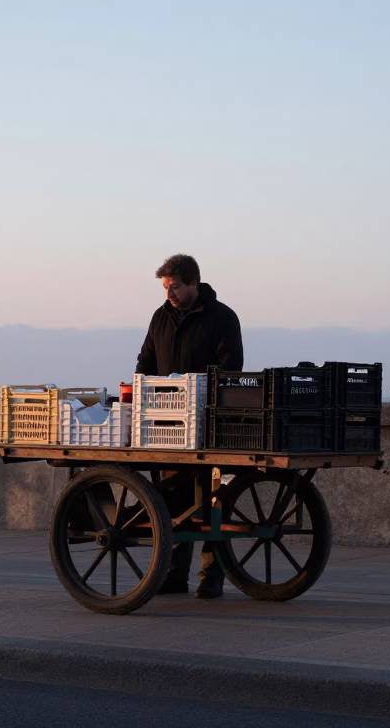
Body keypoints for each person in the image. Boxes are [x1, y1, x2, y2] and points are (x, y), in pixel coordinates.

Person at [135, 253, 244, 599]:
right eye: (166, 287)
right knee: (173, 500)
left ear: (194, 283)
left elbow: (232, 366)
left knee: (215, 501)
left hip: (210, 425)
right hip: (167, 425)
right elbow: (145, 360)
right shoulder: (160, 317)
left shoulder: (222, 317)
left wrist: (197, 388)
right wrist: (141, 388)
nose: (170, 293)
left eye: (176, 287)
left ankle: (211, 577)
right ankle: (173, 574)